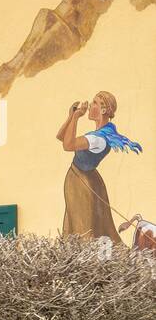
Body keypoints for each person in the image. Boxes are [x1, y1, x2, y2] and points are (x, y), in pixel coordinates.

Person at [57, 91, 142, 244]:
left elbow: (68, 145)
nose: (89, 105)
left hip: (81, 183)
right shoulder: (100, 134)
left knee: (82, 226)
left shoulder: (98, 139)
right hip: (84, 178)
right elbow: (61, 136)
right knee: (76, 222)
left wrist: (76, 117)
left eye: (94, 103)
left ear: (103, 110)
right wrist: (71, 116)